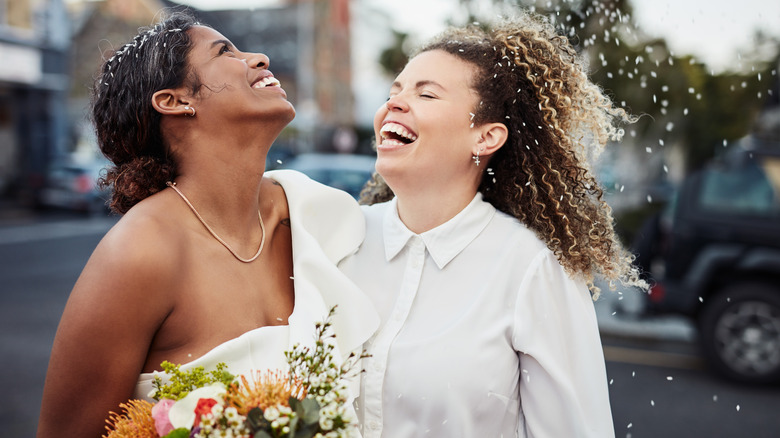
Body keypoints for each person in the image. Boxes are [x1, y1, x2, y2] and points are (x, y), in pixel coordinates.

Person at [37, 12, 376, 438]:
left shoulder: (320, 213)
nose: (259, 58)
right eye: (225, 52)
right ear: (174, 100)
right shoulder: (139, 252)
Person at [339, 11, 646, 438]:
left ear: (486, 138)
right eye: (396, 90)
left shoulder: (531, 268)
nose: (395, 102)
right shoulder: (341, 239)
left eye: (426, 95)